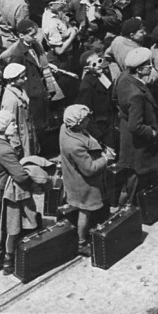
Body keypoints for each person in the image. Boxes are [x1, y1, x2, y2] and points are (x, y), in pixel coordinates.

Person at [58, 104, 113, 257]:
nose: (89, 119)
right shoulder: (74, 145)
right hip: (83, 185)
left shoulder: (65, 128)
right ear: (79, 123)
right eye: (85, 118)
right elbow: (89, 169)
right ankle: (81, 243)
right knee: (85, 211)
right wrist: (105, 158)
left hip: (73, 179)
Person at [0, 110, 35, 274]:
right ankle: (8, 261)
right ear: (3, 127)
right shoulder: (6, 150)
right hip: (7, 193)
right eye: (11, 124)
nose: (14, 126)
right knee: (13, 228)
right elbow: (20, 176)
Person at [116, 47, 158, 207]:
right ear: (139, 70)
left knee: (133, 171)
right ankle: (132, 207)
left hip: (126, 136)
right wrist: (151, 132)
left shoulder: (123, 77)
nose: (151, 68)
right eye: (148, 66)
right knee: (139, 173)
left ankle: (129, 204)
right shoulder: (136, 94)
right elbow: (136, 125)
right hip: (138, 141)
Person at [1, 62, 38, 156]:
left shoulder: (20, 90)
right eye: (21, 77)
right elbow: (10, 124)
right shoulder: (10, 99)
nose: (25, 79)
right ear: (12, 80)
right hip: (21, 136)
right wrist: (16, 144)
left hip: (28, 131)